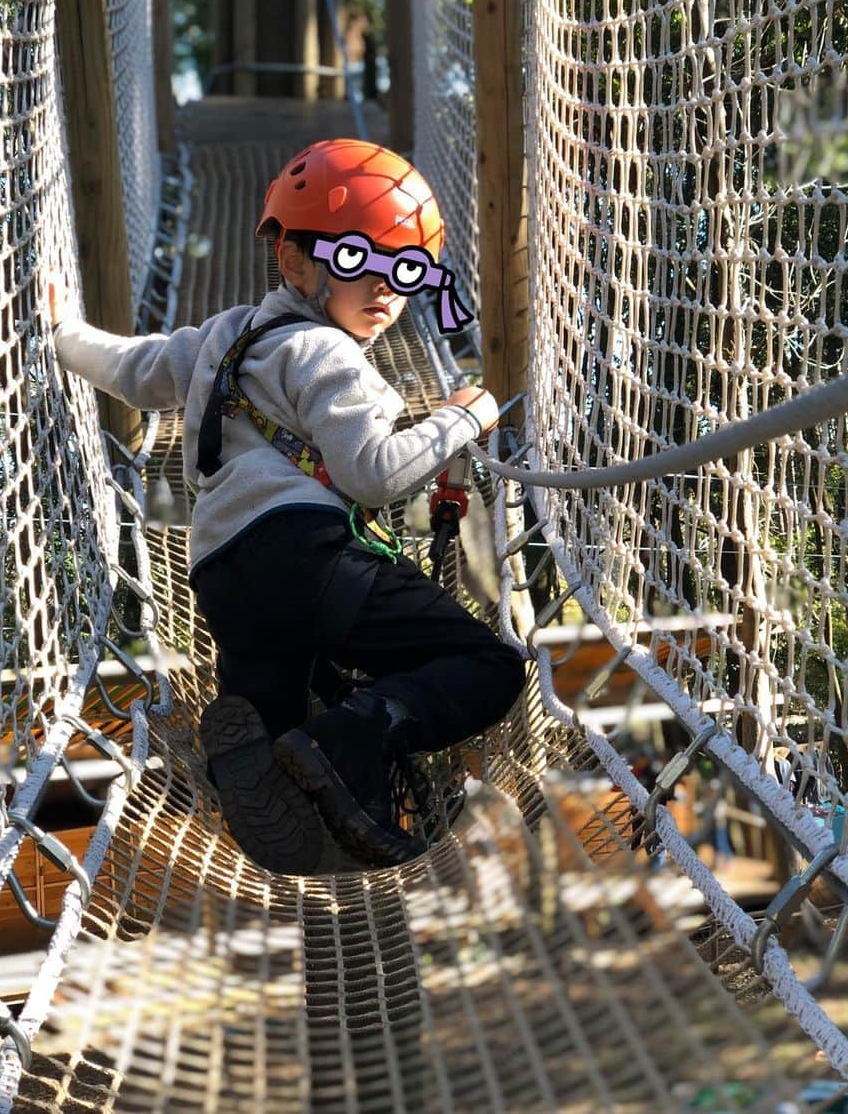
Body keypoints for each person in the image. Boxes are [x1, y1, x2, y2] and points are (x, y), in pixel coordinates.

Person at [50, 138, 526, 872]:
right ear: (297, 263)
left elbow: (135, 370)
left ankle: (274, 756)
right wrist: (461, 417)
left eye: (405, 271)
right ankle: (350, 739)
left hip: (223, 580)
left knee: (292, 716)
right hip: (308, 559)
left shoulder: (223, 335)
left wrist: (65, 336)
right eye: (359, 262)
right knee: (487, 664)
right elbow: (372, 474)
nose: (386, 292)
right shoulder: (332, 356)